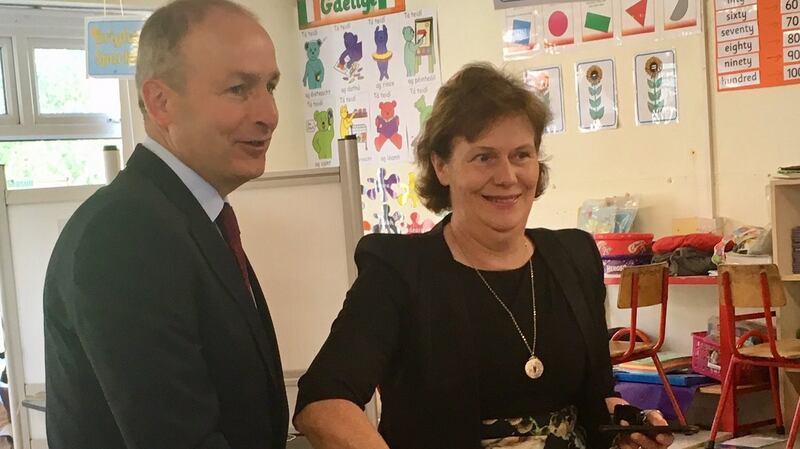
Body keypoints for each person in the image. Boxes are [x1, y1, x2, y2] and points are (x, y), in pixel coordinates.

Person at [293, 63, 675, 449]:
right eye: (484, 157)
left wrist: (627, 425)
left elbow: (596, 396)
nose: (507, 176)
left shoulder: (574, 256)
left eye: (521, 155)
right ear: (442, 166)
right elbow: (323, 403)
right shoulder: (399, 270)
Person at [43, 1, 288, 448]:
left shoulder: (191, 220)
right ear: (161, 102)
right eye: (239, 89)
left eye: (270, 86)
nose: (268, 114)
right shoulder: (123, 236)